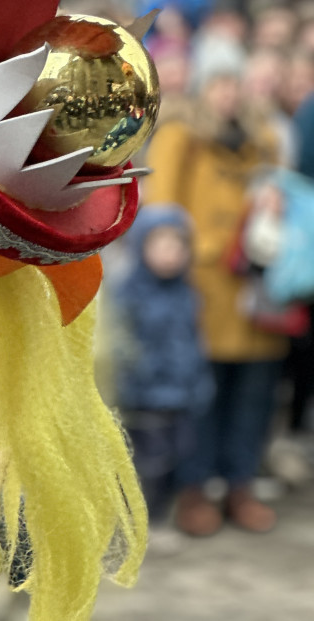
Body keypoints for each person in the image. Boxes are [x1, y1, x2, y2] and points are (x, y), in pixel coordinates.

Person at [144, 61, 285, 536]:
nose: (228, 95)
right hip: (201, 287)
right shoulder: (181, 136)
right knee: (200, 395)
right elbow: (161, 210)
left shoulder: (262, 141)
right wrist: (192, 251)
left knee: (253, 394)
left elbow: (281, 202)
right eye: (219, 84)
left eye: (234, 84)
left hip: (256, 287)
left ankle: (240, 485)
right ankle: (195, 488)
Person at [111, 205, 213, 529]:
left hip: (181, 395)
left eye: (178, 245)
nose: (171, 254)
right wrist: (134, 380)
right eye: (161, 245)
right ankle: (137, 523)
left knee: (176, 457)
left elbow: (194, 341)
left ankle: (158, 517)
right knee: (145, 463)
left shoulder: (188, 293)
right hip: (144, 399)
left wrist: (199, 380)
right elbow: (121, 347)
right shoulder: (128, 293)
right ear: (142, 246)